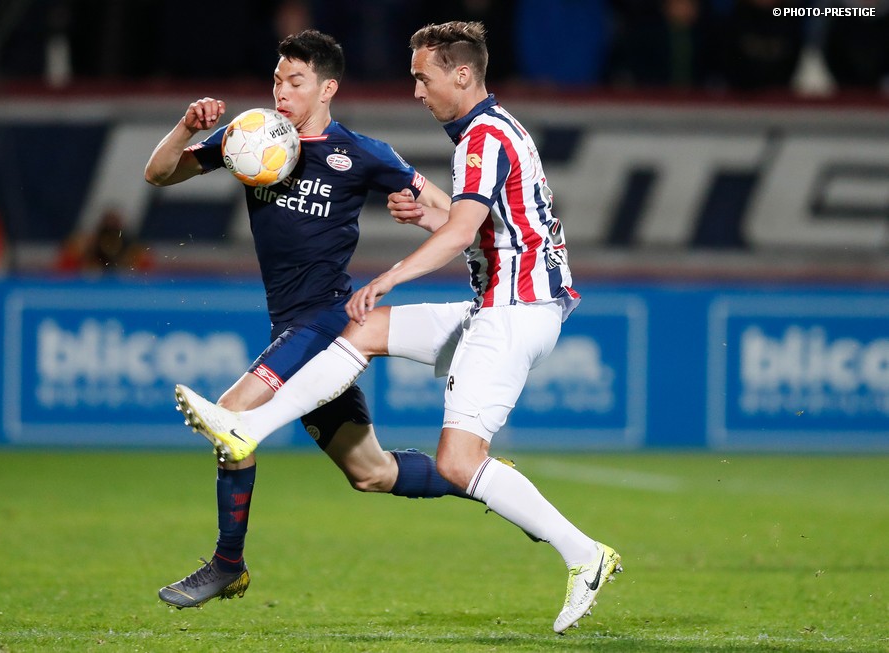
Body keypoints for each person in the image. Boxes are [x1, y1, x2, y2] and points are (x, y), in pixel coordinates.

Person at [174, 21, 622, 634]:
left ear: (461, 74)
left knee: (459, 462)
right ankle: (250, 427)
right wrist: (425, 222)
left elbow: (462, 232)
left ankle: (584, 553)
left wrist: (391, 275)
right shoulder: (489, 131)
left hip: (515, 310)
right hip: (498, 303)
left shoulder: (485, 135)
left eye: (422, 77)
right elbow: (484, 229)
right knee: (363, 332)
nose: (416, 91)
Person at [145, 29, 469, 610]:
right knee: (370, 473)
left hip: (326, 323)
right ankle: (484, 479)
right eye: (277, 80)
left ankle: (228, 564)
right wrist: (187, 128)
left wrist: (427, 217)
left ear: (327, 89)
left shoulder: (362, 153)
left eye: (295, 82)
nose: (282, 92)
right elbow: (160, 174)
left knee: (232, 416)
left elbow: (455, 214)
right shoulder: (249, 137)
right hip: (289, 326)